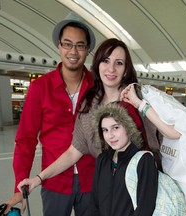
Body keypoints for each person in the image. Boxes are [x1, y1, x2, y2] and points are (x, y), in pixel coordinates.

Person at [15, 38, 161, 213]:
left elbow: (161, 138)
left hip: (135, 190)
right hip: (106, 189)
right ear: (98, 64)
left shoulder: (138, 100)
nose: (111, 69)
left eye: (119, 63)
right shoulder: (89, 104)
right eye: (106, 61)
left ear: (126, 69)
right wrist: (38, 178)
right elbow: (73, 151)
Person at [5, 12, 96, 216]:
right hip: (55, 182)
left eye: (80, 45)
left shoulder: (97, 87)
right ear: (59, 46)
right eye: (67, 44)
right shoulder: (40, 88)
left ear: (88, 50)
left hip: (92, 181)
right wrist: (18, 186)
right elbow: (26, 140)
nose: (73, 51)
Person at [120, 84, 186, 216]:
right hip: (180, 190)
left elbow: (173, 132)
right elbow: (164, 128)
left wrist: (140, 104)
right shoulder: (167, 123)